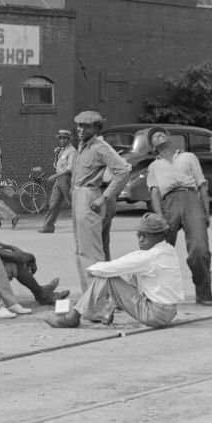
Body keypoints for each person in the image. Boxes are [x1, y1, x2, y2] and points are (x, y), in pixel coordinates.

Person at [45, 213, 184, 329]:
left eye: (146, 236)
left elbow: (112, 268)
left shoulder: (150, 257)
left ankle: (73, 316)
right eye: (139, 235)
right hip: (169, 312)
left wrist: (92, 270)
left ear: (160, 236)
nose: (140, 239)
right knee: (130, 273)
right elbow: (128, 261)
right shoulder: (167, 250)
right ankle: (106, 310)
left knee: (108, 277)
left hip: (155, 314)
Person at [146, 127, 212, 306]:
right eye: (154, 137)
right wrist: (159, 216)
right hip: (169, 202)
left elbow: (202, 185)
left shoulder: (188, 157)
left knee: (199, 249)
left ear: (169, 138)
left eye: (161, 134)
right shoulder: (154, 166)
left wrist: (205, 212)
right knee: (161, 250)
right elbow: (154, 192)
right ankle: (158, 296)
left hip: (191, 199)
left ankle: (204, 293)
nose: (159, 137)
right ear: (152, 145)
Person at [70, 111, 130, 294]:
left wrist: (104, 197)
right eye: (79, 125)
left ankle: (98, 301)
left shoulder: (100, 147)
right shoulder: (83, 147)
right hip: (78, 195)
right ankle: (97, 296)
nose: (80, 129)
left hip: (90, 196)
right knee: (84, 251)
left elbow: (123, 171)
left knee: (91, 253)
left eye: (86, 126)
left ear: (96, 128)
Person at [0, 206, 70, 305]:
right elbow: (15, 257)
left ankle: (40, 291)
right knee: (15, 264)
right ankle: (42, 294)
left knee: (16, 261)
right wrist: (31, 257)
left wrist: (14, 249)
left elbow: (4, 248)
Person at [39, 129, 76, 233]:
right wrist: (56, 155)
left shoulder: (72, 151)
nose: (62, 140)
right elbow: (56, 165)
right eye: (60, 138)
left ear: (69, 139)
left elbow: (70, 168)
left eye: (64, 138)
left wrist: (55, 176)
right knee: (53, 204)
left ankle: (84, 225)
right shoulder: (62, 151)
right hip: (59, 180)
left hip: (67, 179)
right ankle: (48, 226)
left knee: (73, 203)